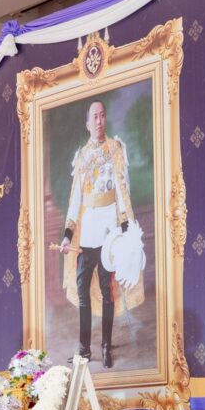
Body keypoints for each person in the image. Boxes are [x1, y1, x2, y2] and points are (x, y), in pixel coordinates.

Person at [59, 100, 143, 369]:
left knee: (107, 290)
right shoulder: (82, 156)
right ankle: (84, 349)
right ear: (87, 124)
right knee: (83, 289)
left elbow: (122, 190)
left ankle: (106, 345)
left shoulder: (115, 149)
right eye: (94, 117)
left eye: (102, 115)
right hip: (87, 233)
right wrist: (67, 234)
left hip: (109, 232)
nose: (99, 121)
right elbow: (76, 198)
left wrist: (124, 226)